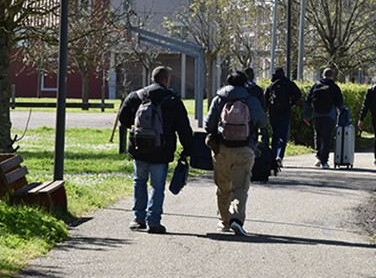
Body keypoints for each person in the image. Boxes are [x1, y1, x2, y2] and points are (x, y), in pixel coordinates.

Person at [117, 66, 193, 234]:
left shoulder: (136, 96)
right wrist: (188, 148)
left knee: (139, 181)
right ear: (166, 80)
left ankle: (138, 219)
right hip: (162, 150)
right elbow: (183, 127)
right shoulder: (173, 100)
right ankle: (154, 221)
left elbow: (123, 119)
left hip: (139, 148)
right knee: (157, 186)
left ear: (152, 78)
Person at [205, 70, 268, 236]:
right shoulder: (251, 100)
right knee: (240, 187)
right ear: (245, 84)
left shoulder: (219, 99)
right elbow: (263, 121)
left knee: (223, 187)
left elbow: (208, 124)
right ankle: (236, 219)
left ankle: (224, 221)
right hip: (245, 149)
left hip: (222, 150)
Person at [303, 67, 344, 169]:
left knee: (318, 135)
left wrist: (306, 115)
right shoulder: (334, 87)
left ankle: (318, 156)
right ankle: (324, 161)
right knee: (327, 138)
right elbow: (340, 103)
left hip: (316, 115)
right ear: (332, 76)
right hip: (330, 115)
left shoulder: (316, 85)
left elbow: (308, 100)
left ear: (322, 75)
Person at [264, 67, 302, 168]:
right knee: (283, 135)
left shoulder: (272, 85)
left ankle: (273, 156)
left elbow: (265, 98)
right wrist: (291, 103)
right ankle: (280, 156)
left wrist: (267, 109)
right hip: (285, 111)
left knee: (275, 134)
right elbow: (298, 94)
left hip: (273, 112)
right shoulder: (289, 83)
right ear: (283, 73)